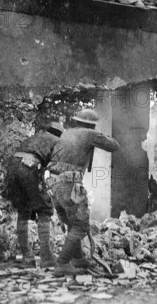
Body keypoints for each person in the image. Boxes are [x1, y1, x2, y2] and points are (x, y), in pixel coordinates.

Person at [47, 108, 120, 276]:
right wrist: (98, 135)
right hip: (69, 183)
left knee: (72, 223)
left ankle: (78, 259)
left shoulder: (66, 133)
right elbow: (114, 146)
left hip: (54, 183)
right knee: (80, 224)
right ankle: (62, 263)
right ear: (91, 125)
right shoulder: (89, 133)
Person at [2, 120, 64, 267]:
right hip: (29, 167)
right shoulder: (58, 142)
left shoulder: (37, 136)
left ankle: (28, 258)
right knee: (45, 209)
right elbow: (56, 169)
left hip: (13, 166)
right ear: (60, 134)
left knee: (23, 210)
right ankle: (47, 258)